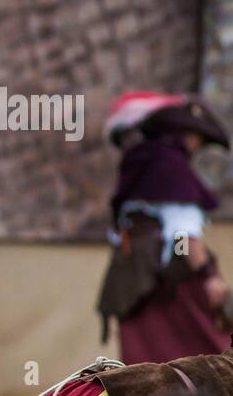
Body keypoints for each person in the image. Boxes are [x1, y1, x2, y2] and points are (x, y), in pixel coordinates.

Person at [98, 91, 233, 364]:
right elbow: (182, 233)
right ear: (180, 133)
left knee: (145, 365)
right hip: (167, 284)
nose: (196, 145)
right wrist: (208, 276)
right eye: (195, 136)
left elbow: (120, 228)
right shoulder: (170, 166)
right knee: (205, 359)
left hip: (131, 279)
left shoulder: (138, 163)